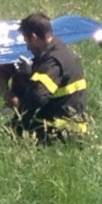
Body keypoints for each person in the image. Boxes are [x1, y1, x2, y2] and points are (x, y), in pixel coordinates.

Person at [15, 13, 89, 143]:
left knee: (12, 134)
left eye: (27, 41)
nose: (27, 47)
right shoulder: (61, 49)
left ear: (34, 37)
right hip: (72, 126)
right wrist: (33, 71)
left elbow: (37, 97)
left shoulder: (52, 61)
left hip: (58, 130)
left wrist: (19, 111)